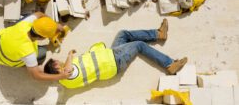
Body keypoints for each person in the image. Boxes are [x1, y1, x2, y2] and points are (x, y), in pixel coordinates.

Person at [44, 19, 188, 88]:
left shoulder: (66, 82)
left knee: (123, 34)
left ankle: (159, 34)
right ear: (56, 66)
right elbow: (68, 71)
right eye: (58, 62)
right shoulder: (68, 76)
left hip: (110, 55)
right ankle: (169, 64)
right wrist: (69, 54)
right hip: (113, 62)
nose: (61, 61)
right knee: (139, 45)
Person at [0, 11, 71, 81]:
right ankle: (25, 65)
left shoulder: (25, 24)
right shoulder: (29, 53)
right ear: (42, 38)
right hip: (7, 60)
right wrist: (61, 76)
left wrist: (54, 25)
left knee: (27, 15)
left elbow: (39, 14)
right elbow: (36, 76)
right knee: (42, 52)